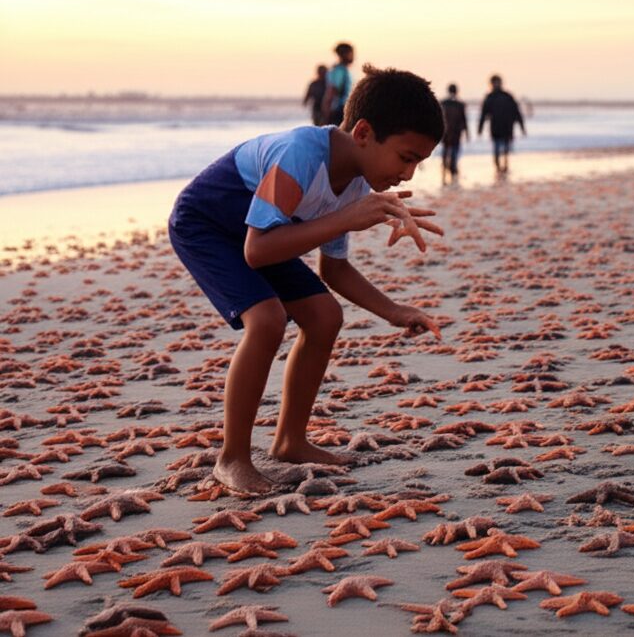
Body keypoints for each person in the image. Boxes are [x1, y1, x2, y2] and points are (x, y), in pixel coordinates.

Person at [168, 66, 446, 493]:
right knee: (267, 320)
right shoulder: (301, 154)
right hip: (206, 224)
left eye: (418, 163)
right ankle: (232, 459)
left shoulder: (355, 182)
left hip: (266, 235)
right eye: (406, 158)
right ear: (364, 133)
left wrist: (394, 310)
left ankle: (290, 441)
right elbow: (256, 251)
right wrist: (345, 219)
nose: (407, 175)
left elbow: (333, 271)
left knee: (324, 316)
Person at [478, 75, 526, 174]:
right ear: (491, 84)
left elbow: (516, 112)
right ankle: (498, 167)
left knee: (506, 151)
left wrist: (522, 127)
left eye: (497, 82)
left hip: (507, 128)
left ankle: (504, 167)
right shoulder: (489, 97)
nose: (496, 84)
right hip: (496, 129)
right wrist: (480, 128)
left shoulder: (508, 96)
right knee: (497, 150)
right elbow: (483, 114)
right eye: (494, 82)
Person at [440, 83, 469, 184]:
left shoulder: (443, 103)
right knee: (454, 152)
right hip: (456, 133)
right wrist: (467, 132)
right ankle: (452, 166)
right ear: (456, 91)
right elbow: (464, 120)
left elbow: (439, 120)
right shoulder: (460, 104)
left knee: (446, 150)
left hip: (445, 133)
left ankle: (445, 166)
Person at [322, 42, 356, 126]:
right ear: (344, 54)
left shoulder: (344, 70)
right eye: (351, 53)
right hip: (339, 111)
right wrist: (326, 116)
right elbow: (331, 92)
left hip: (344, 110)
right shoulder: (339, 71)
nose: (353, 57)